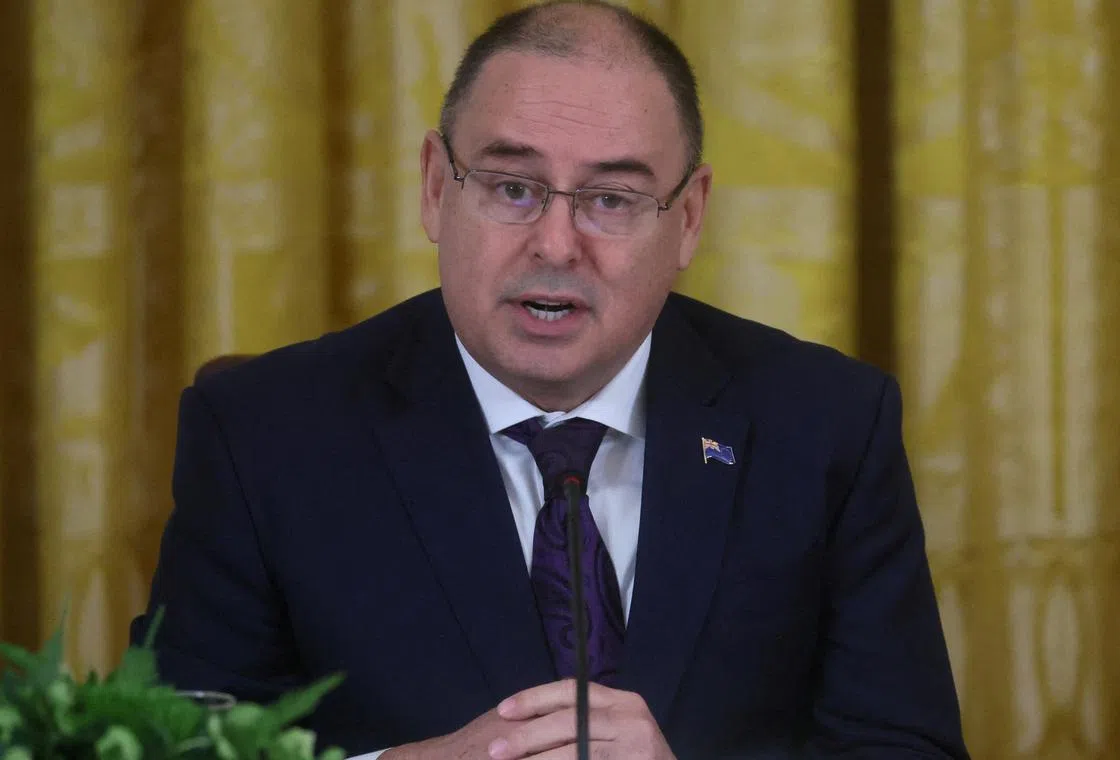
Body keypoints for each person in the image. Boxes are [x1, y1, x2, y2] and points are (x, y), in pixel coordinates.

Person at [131, 2, 970, 758]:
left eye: (611, 198)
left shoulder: (826, 427)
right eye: (513, 187)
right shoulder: (263, 437)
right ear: (434, 187)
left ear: (688, 219)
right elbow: (171, 748)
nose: (558, 245)